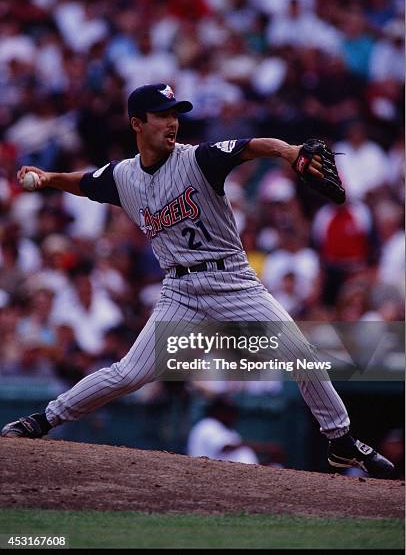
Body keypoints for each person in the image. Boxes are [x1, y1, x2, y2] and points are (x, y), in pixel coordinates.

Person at [2, 83, 394, 478]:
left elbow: (252, 145)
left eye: (175, 114)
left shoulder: (198, 159)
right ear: (138, 123)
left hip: (232, 281)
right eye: (162, 115)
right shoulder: (123, 176)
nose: (172, 123)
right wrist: (49, 177)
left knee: (301, 353)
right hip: (179, 293)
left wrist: (290, 151)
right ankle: (43, 420)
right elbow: (85, 182)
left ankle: (340, 439)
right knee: (128, 374)